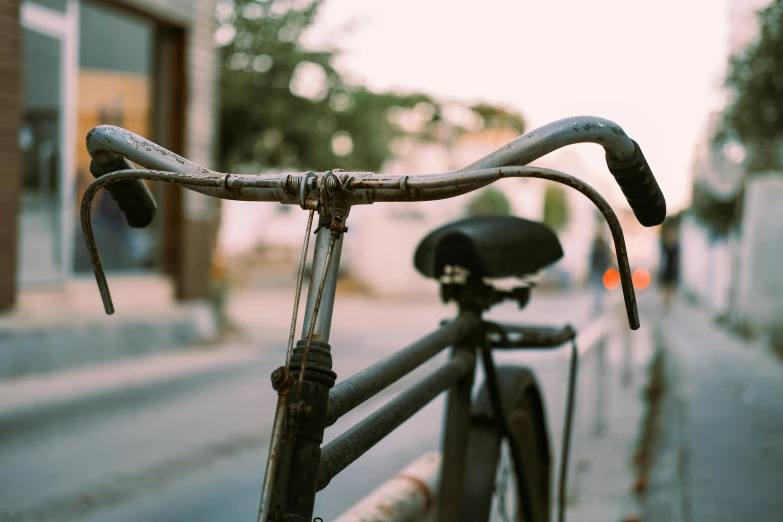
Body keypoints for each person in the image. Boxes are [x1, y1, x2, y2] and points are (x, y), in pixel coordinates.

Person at [588, 232, 613, 317]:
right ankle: (599, 305)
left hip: (597, 272)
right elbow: (607, 261)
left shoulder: (596, 250)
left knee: (597, 289)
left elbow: (592, 261)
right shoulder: (603, 250)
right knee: (599, 289)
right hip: (601, 272)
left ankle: (598, 305)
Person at [658, 226, 680, 312]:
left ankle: (668, 304)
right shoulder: (665, 246)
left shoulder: (675, 247)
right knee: (665, 288)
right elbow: (662, 259)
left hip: (671, 270)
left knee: (670, 289)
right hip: (665, 270)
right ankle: (665, 303)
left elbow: (676, 261)